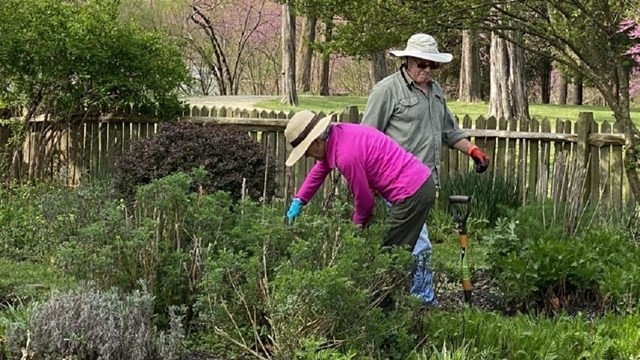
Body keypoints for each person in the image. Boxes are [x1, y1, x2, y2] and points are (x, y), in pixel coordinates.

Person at [361, 33, 491, 305]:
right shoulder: (387, 91)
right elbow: (366, 139)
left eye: (432, 65)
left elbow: (449, 131)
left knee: (401, 247)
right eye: (421, 64)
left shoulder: (436, 91)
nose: (427, 70)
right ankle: (422, 305)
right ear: (407, 60)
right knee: (420, 247)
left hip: (423, 187)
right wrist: (369, 184)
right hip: (393, 186)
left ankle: (388, 301)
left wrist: (472, 151)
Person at [284, 110, 437, 267]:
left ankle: (414, 292)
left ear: (316, 142)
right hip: (417, 185)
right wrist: (300, 199)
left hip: (412, 193)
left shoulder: (346, 156)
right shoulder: (338, 133)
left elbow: (365, 203)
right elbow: (321, 168)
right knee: (400, 251)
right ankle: (413, 290)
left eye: (306, 151)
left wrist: (353, 233)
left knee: (388, 257)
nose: (307, 157)